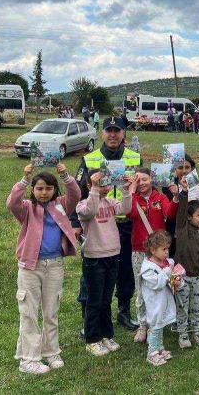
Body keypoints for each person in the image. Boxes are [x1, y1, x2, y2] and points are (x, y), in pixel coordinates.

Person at [6, 163, 81, 374]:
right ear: (33, 190)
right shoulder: (28, 208)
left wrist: (65, 175)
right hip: (31, 267)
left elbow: (76, 194)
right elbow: (12, 203)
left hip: (55, 265)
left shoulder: (60, 205)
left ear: (55, 190)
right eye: (39, 188)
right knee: (29, 312)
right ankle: (29, 359)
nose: (44, 192)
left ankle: (51, 352)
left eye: (48, 188)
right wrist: (24, 179)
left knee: (51, 311)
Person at [74, 116, 141, 332]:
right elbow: (77, 192)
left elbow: (144, 186)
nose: (113, 134)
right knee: (91, 273)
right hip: (95, 223)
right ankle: (88, 317)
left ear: (123, 134)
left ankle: (123, 310)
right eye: (109, 130)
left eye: (117, 130)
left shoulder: (135, 158)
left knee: (125, 272)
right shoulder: (89, 158)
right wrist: (75, 222)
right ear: (102, 133)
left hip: (126, 222)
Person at [75, 169, 133, 356]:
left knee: (107, 299)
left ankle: (106, 335)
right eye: (101, 183)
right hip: (94, 258)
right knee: (94, 300)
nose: (105, 187)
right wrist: (94, 188)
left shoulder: (110, 201)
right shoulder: (83, 204)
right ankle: (92, 338)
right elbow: (89, 212)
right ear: (89, 185)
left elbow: (125, 209)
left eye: (107, 183)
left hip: (112, 255)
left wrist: (125, 190)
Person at [128, 167, 179, 343]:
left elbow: (170, 213)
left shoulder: (160, 197)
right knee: (141, 289)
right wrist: (132, 192)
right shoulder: (134, 198)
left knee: (162, 286)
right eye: (138, 180)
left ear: (152, 180)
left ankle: (159, 322)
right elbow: (131, 213)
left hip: (159, 252)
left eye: (144, 179)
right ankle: (143, 324)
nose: (141, 183)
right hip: (139, 250)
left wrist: (176, 197)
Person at [173, 183, 199, 348]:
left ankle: (196, 332)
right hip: (182, 277)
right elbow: (182, 210)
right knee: (182, 306)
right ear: (190, 217)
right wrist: (184, 193)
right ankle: (183, 335)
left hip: (197, 277)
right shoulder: (182, 229)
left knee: (196, 306)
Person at [140, 231, 181, 366]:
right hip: (155, 304)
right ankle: (152, 353)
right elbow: (157, 283)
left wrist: (177, 281)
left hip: (164, 302)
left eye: (168, 248)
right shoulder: (148, 268)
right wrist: (167, 272)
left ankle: (159, 348)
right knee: (155, 327)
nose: (167, 252)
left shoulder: (166, 263)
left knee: (161, 325)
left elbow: (171, 279)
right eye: (163, 249)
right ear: (153, 250)